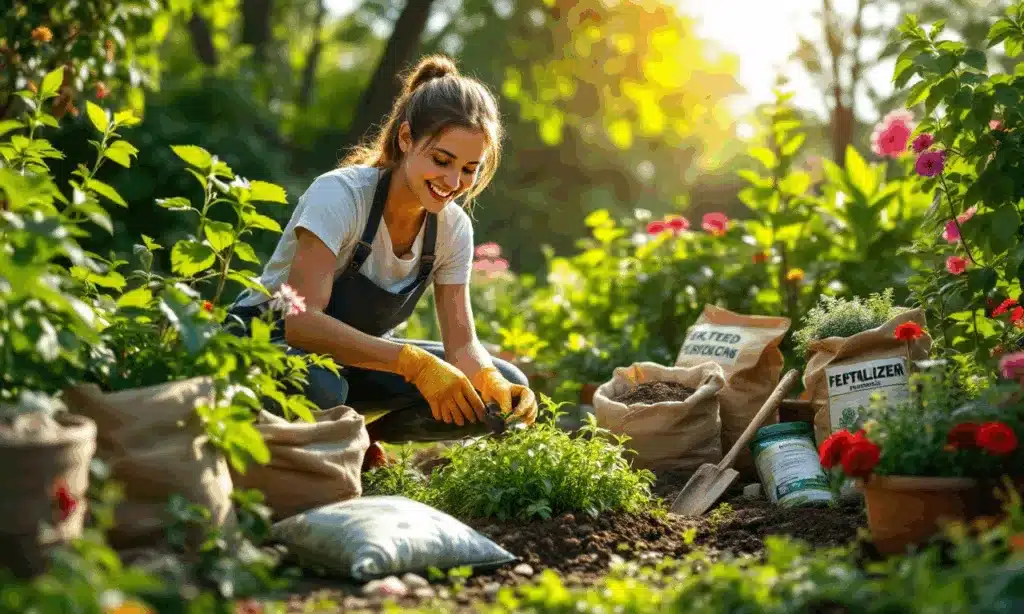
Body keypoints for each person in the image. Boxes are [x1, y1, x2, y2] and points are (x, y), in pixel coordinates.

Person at [226, 54, 538, 456]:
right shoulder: (340, 196)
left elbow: (462, 346)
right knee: (321, 383)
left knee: (499, 390)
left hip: (356, 361)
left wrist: (492, 379)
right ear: (406, 139)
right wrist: (415, 364)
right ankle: (332, 446)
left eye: (469, 169)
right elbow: (302, 325)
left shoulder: (452, 229)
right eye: (442, 161)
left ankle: (365, 444)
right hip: (266, 345)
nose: (452, 181)